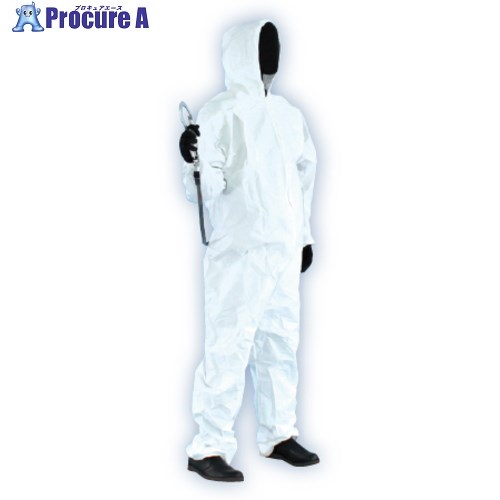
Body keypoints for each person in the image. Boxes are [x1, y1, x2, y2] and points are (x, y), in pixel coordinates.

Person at [179, 19, 318, 482]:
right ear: (244, 52)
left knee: (281, 341)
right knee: (229, 343)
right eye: (262, 47)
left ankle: (278, 433)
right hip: (239, 253)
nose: (269, 57)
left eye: (272, 47)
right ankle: (208, 446)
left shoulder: (288, 114)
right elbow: (204, 190)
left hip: (281, 252)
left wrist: (304, 236)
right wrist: (192, 158)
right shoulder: (219, 112)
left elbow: (304, 176)